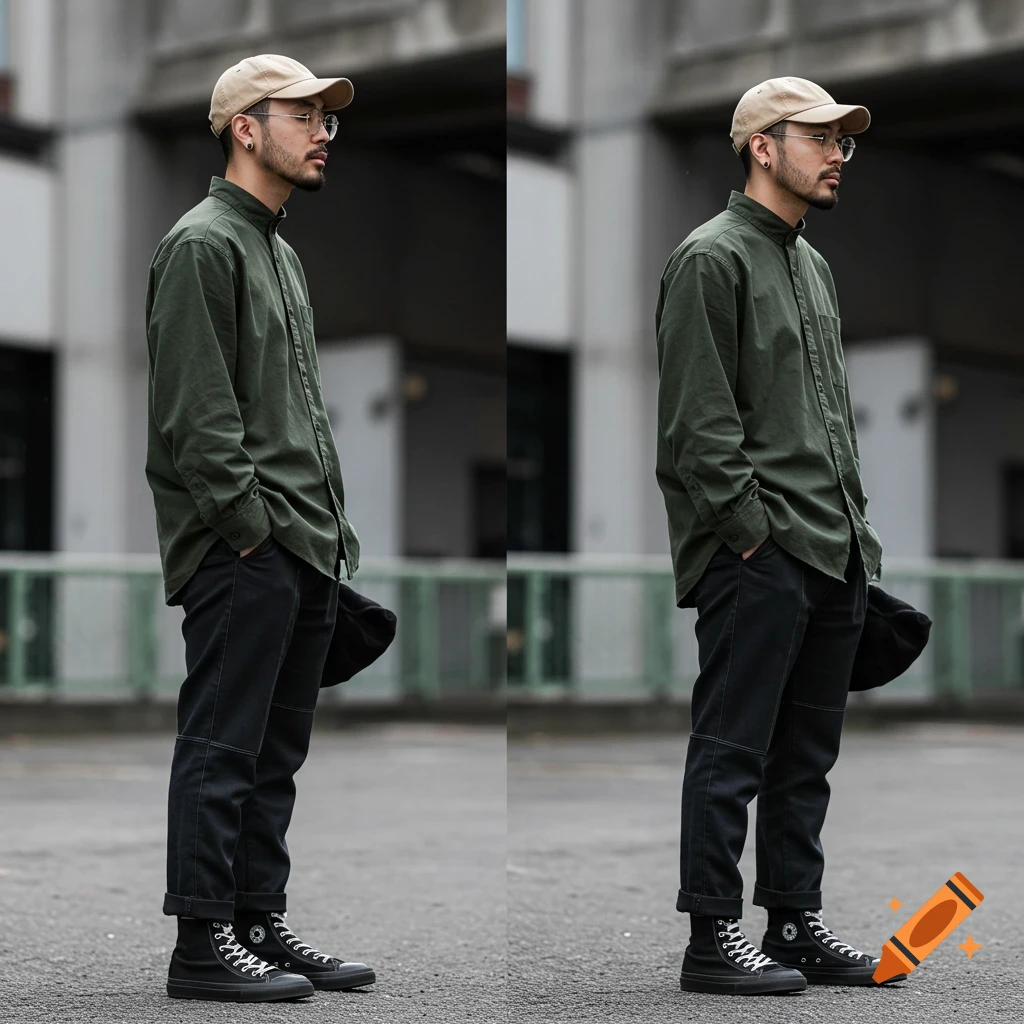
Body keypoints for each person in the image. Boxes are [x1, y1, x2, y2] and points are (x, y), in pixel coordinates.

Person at [654, 77, 906, 996]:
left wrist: (856, 539)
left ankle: (794, 922)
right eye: (821, 136)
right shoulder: (710, 259)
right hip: (759, 555)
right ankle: (713, 939)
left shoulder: (812, 266)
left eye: (846, 139)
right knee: (732, 750)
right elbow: (699, 426)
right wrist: (752, 538)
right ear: (764, 145)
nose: (839, 152)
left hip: (832, 550)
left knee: (808, 755)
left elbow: (830, 419)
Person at [145, 53, 373, 1002]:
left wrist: (325, 534)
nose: (324, 130)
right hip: (248, 550)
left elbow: (299, 415)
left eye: (329, 117)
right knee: (224, 744)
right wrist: (252, 532)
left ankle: (255, 922)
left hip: (299, 547)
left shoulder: (277, 250)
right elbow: (199, 419)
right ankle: (202, 943)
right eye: (304, 113)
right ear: (247, 126)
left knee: (274, 754)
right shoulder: (203, 244)